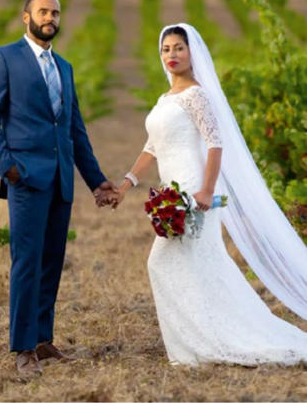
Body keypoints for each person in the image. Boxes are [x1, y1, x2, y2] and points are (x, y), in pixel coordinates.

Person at [112, 23, 307, 365]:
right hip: (171, 192)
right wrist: (126, 184)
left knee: (165, 262)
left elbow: (216, 144)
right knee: (194, 266)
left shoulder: (197, 95)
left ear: (192, 53)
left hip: (193, 193)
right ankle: (195, 342)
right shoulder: (164, 99)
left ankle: (208, 339)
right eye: (166, 49)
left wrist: (206, 189)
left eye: (178, 48)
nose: (171, 55)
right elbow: (151, 147)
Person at [0, 0, 116, 378]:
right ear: (26, 17)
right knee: (26, 263)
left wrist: (97, 181)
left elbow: (74, 130)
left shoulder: (65, 67)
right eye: (43, 11)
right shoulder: (3, 58)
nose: (50, 17)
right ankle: (22, 349)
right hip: (25, 178)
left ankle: (42, 339)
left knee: (52, 262)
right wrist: (8, 168)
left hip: (60, 180)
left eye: (55, 12)